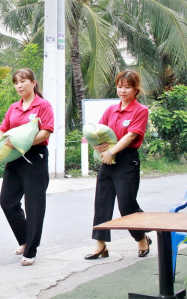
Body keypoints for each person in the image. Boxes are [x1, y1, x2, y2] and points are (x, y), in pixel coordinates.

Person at [0, 68, 54, 266]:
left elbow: (45, 133)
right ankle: (25, 239)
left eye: (23, 81)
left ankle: (31, 249)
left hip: (35, 158)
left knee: (34, 205)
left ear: (33, 82)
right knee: (7, 201)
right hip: (14, 159)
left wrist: (21, 144)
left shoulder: (43, 106)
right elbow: (2, 130)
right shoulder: (13, 108)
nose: (19, 85)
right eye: (16, 82)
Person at [84, 69, 150, 260]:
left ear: (136, 89)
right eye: (120, 87)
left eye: (127, 87)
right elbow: (97, 131)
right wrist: (99, 147)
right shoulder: (111, 110)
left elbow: (130, 136)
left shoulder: (140, 110)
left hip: (127, 160)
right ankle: (100, 245)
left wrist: (112, 151)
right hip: (107, 161)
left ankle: (141, 237)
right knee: (102, 202)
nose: (122, 91)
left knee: (126, 205)